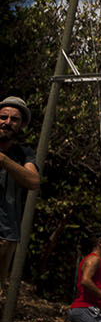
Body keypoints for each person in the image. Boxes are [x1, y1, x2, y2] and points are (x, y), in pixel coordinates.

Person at [0, 96, 39, 293]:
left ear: (21, 125)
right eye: (3, 117)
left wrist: (3, 160)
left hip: (5, 234)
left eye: (14, 119)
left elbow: (33, 181)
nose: (7, 122)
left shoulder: (24, 154)